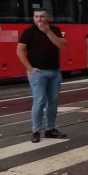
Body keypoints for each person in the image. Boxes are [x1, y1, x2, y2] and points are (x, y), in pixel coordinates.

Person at [17, 9, 68, 143]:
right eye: (36, 17)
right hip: (38, 73)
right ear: (33, 18)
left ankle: (50, 129)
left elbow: (62, 45)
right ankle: (36, 131)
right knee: (39, 101)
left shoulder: (55, 30)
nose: (39, 19)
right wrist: (29, 68)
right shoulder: (29, 32)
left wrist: (48, 32)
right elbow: (20, 50)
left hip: (54, 71)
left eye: (42, 16)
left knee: (53, 101)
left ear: (48, 18)